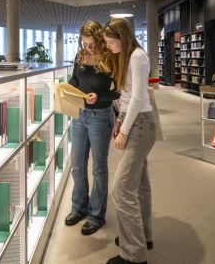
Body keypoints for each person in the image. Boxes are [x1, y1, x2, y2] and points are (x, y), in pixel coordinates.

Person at [103, 18, 157, 264]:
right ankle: (142, 236)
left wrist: (124, 130)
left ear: (122, 38)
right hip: (136, 121)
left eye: (111, 41)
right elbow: (127, 97)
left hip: (140, 125)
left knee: (122, 188)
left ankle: (134, 254)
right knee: (139, 183)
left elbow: (138, 97)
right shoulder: (129, 56)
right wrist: (119, 121)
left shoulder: (136, 56)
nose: (108, 45)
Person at [64, 19, 120, 236]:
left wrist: (100, 96)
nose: (88, 48)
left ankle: (96, 215)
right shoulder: (79, 56)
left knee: (98, 168)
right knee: (77, 165)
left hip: (100, 114)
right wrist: (66, 88)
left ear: (98, 39)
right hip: (79, 114)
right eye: (85, 43)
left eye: (91, 43)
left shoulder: (110, 57)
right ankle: (79, 207)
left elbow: (119, 91)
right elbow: (74, 80)